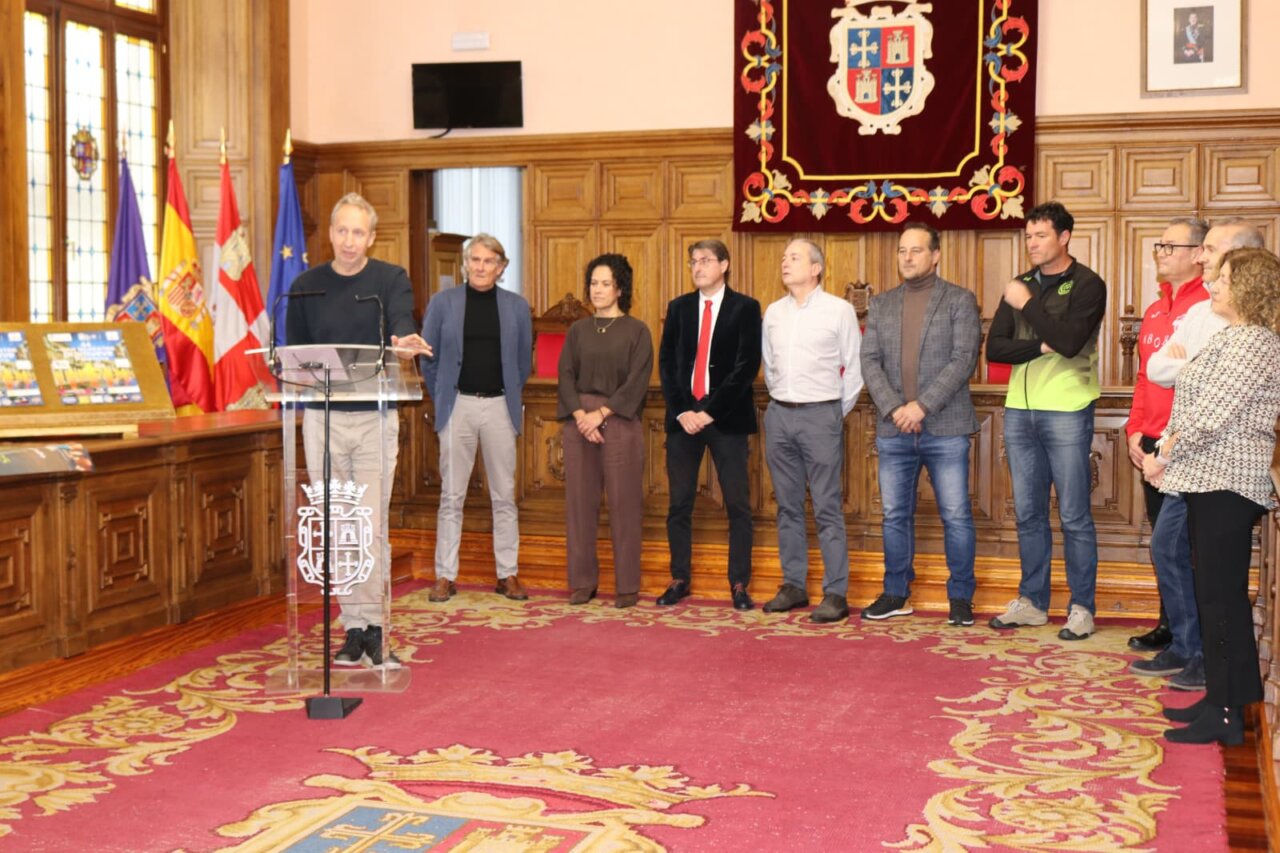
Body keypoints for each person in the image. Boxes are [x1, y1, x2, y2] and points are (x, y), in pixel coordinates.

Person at [286, 192, 433, 668]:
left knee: (369, 525)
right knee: (336, 526)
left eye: (359, 232)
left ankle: (376, 628)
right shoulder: (306, 284)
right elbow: (294, 357)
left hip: (374, 417)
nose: (349, 241)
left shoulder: (389, 279)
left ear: (372, 237)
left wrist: (404, 344)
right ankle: (353, 629)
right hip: (323, 419)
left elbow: (402, 327)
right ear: (330, 234)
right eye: (342, 231)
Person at [1144, 247, 1280, 745]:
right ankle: (1221, 699)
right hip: (1208, 478)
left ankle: (1227, 714)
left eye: (1223, 279)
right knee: (1216, 595)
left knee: (1221, 599)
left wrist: (1164, 455)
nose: (1214, 285)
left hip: (1226, 481)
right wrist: (1169, 448)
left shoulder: (1251, 343)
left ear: (1248, 289)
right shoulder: (1237, 337)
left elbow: (1210, 415)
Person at [986, 201, 1107, 640]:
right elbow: (996, 349)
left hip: (1068, 409)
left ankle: (1081, 607)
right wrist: (1039, 347)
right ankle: (1034, 603)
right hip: (1020, 410)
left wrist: (1030, 307)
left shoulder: (1088, 284)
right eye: (1028, 236)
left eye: (1040, 236)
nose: (1032, 243)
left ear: (1064, 237)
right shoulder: (1021, 283)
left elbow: (1071, 342)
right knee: (1028, 513)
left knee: (1074, 515)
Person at [859, 223, 981, 626]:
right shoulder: (882, 304)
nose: (906, 258)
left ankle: (961, 597)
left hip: (945, 426)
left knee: (956, 515)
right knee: (894, 515)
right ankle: (896, 592)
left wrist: (921, 406)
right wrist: (896, 406)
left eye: (915, 251)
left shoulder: (959, 300)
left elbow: (963, 359)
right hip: (894, 428)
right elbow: (869, 360)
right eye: (901, 251)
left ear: (936, 255)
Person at [420, 233, 533, 604]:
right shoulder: (443, 303)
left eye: (489, 261)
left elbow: (522, 361)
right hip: (458, 407)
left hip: (500, 407)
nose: (481, 267)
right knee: (451, 496)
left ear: (501, 267)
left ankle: (508, 574)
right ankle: (445, 576)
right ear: (465, 263)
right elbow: (429, 358)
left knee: (504, 496)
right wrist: (443, 395)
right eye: (475, 260)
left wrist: (508, 392)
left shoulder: (516, 307)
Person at [760, 239, 862, 623]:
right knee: (786, 505)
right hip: (780, 414)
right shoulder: (773, 312)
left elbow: (853, 369)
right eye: (783, 257)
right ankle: (794, 584)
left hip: (821, 415)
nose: (785, 262)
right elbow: (769, 366)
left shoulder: (839, 311)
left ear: (816, 268)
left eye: (794, 257)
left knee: (827, 506)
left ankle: (836, 592)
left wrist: (834, 412)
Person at [657, 240, 762, 610]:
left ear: (724, 265)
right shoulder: (679, 308)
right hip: (683, 420)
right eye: (693, 261)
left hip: (726, 418)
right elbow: (667, 363)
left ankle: (739, 583)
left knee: (738, 504)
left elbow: (745, 367)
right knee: (679, 503)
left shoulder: (745, 308)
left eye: (705, 260)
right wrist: (684, 410)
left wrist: (710, 411)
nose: (697, 267)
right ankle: (679, 577)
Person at [1124, 217, 1208, 672]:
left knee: (1181, 545)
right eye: (1159, 245)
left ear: (1199, 253)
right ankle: (1170, 626)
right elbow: (1144, 377)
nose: (1161, 252)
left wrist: (1166, 443)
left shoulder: (1206, 309)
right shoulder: (1157, 311)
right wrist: (1135, 430)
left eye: (1170, 246)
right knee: (1162, 540)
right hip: (1151, 438)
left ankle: (1190, 638)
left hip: (1186, 441)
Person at [557, 254, 653, 608]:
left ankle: (627, 586)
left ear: (620, 288)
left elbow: (637, 382)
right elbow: (565, 375)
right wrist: (583, 416)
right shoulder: (577, 330)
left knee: (624, 505)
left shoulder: (637, 331)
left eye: (605, 283)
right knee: (579, 505)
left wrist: (602, 414)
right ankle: (583, 582)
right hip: (579, 422)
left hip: (620, 422)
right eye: (593, 283)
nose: (597, 290)